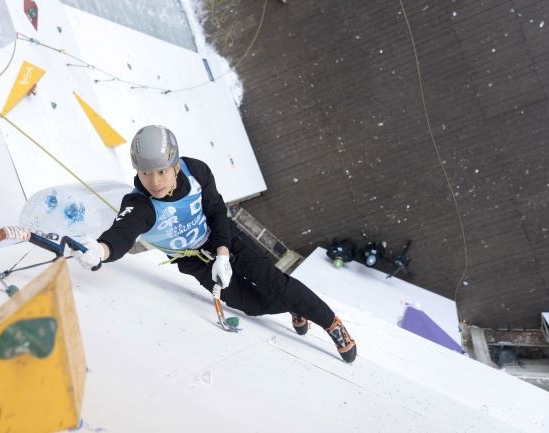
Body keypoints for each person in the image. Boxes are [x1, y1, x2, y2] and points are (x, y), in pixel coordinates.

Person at [71, 125, 357, 363]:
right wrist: (101, 250)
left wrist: (223, 253)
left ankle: (331, 323)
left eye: (161, 171)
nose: (154, 182)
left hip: (226, 239)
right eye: (145, 173)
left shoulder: (196, 172)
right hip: (195, 262)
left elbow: (217, 210)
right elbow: (122, 232)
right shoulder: (140, 204)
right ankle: (296, 306)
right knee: (252, 305)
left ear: (175, 166)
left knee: (274, 282)